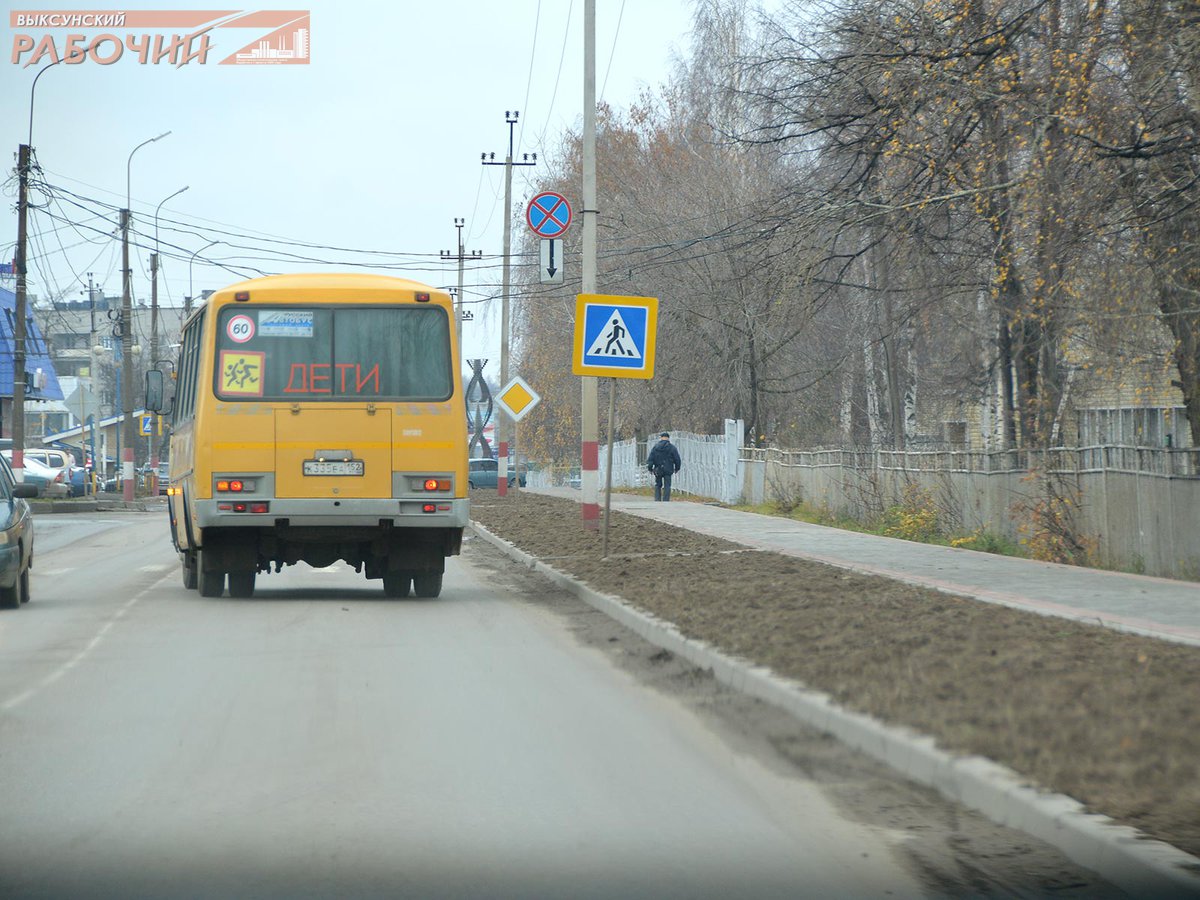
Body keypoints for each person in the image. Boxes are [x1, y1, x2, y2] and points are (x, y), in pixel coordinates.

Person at [646, 431, 681, 502]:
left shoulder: (655, 447)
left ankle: (657, 499)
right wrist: (677, 468)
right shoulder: (672, 448)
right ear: (668, 438)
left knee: (658, 484)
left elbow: (650, 459)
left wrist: (650, 468)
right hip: (668, 469)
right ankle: (666, 500)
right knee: (667, 485)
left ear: (661, 438)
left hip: (658, 469)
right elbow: (677, 459)